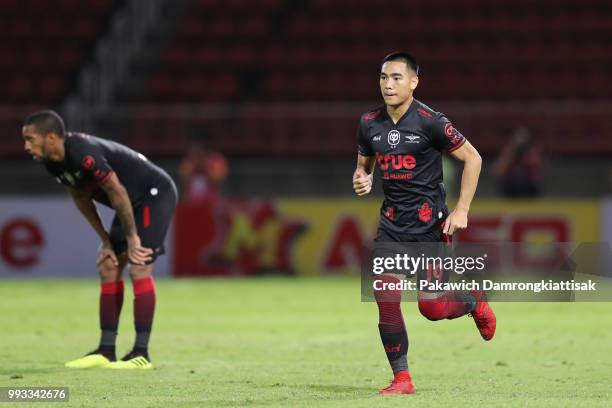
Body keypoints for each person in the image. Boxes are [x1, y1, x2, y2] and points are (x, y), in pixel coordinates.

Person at [353, 52, 496, 395]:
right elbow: (364, 164)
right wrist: (362, 178)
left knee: (431, 308)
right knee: (386, 299)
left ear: (414, 82)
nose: (389, 84)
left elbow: (473, 158)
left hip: (430, 227)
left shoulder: (431, 121)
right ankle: (402, 379)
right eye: (384, 77)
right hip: (391, 228)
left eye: (397, 77)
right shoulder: (369, 122)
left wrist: (462, 210)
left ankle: (474, 299)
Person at [22, 110, 177, 369]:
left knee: (139, 265)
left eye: (30, 139)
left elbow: (116, 191)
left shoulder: (83, 153)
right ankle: (106, 350)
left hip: (153, 194)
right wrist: (105, 240)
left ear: (50, 138)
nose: (26, 146)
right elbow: (81, 197)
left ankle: (141, 354)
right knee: (108, 265)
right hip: (128, 202)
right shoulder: (52, 161)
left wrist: (132, 239)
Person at [493, 127, 542, 197]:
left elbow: (537, 172)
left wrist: (526, 156)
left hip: (528, 185)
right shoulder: (509, 152)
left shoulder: (530, 152)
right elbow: (498, 172)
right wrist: (511, 154)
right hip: (511, 186)